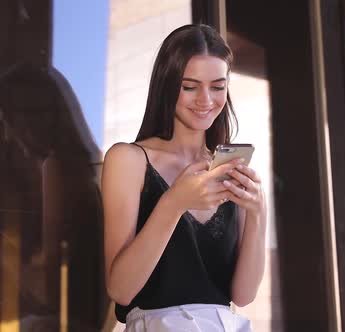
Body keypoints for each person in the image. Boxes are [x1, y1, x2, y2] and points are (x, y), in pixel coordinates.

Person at [101, 24, 267, 331]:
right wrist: (174, 202)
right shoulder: (129, 160)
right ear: (167, 85)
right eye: (189, 86)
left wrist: (258, 213)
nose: (206, 100)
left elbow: (243, 296)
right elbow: (121, 289)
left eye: (217, 87)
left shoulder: (227, 167)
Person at [0, 63, 111, 331]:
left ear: (35, 117)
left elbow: (48, 289)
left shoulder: (57, 168)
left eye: (9, 121)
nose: (9, 135)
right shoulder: (84, 167)